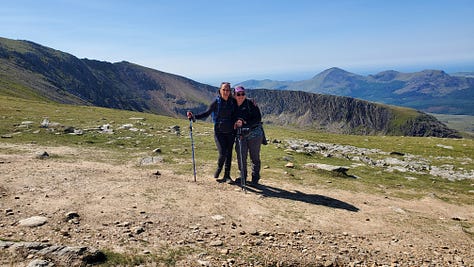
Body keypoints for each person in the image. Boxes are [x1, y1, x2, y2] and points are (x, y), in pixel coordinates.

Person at [187, 82, 237, 183]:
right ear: (220, 91)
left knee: (229, 154)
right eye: (224, 90)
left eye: (228, 90)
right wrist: (194, 117)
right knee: (223, 153)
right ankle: (219, 169)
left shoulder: (233, 101)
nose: (226, 92)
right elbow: (206, 113)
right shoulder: (216, 102)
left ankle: (227, 176)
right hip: (219, 132)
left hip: (231, 132)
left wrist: (251, 102)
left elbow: (240, 107)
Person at [233, 86, 264, 186]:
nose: (241, 96)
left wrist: (244, 123)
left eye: (242, 94)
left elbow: (258, 118)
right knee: (241, 156)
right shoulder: (232, 105)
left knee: (254, 157)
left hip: (254, 134)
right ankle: (243, 177)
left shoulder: (250, 103)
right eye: (238, 94)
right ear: (234, 95)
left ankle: (255, 178)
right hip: (240, 134)